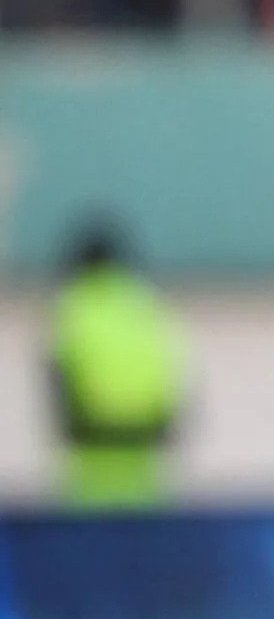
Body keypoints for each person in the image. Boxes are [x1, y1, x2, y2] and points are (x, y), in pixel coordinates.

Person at [48, 215, 185, 509]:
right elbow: (173, 375)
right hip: (146, 458)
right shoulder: (146, 303)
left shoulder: (73, 306)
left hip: (91, 458)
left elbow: (58, 380)